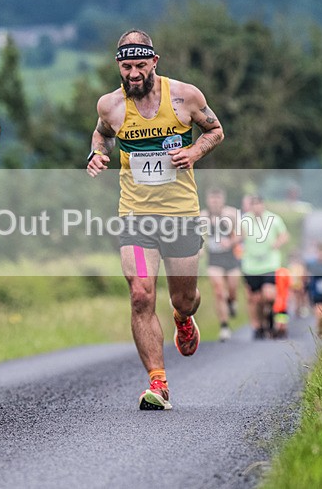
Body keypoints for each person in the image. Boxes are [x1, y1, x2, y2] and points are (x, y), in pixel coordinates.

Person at [86, 29, 225, 410]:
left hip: (180, 214)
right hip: (135, 214)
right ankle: (158, 382)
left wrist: (194, 151)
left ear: (154, 63)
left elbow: (215, 130)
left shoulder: (185, 96)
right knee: (140, 294)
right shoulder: (110, 106)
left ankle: (183, 317)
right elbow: (101, 137)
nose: (133, 74)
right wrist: (95, 155)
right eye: (126, 66)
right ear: (119, 65)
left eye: (140, 66)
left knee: (185, 298)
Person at [239, 195, 289, 339]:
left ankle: (271, 318)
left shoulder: (274, 219)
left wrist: (277, 243)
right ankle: (259, 326)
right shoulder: (244, 221)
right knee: (256, 299)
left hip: (270, 263)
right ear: (251, 206)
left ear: (263, 205)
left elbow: (284, 235)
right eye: (254, 205)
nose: (257, 207)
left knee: (269, 294)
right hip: (251, 265)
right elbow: (238, 237)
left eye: (259, 204)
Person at [200, 187, 242, 341]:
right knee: (219, 292)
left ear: (223, 200)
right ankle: (224, 327)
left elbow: (241, 233)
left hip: (230, 257)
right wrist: (200, 248)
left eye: (218, 199)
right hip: (214, 259)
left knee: (232, 289)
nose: (215, 202)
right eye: (212, 199)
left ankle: (232, 301)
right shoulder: (203, 216)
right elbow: (198, 235)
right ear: (208, 201)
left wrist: (230, 241)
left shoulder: (231, 214)